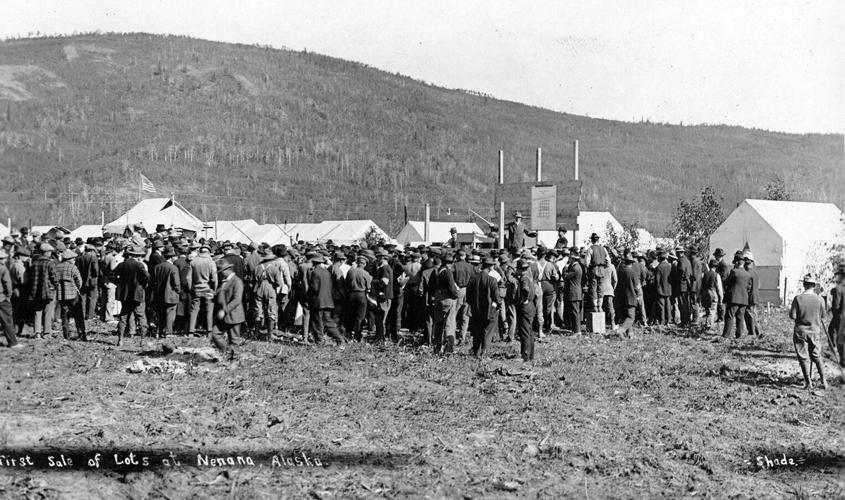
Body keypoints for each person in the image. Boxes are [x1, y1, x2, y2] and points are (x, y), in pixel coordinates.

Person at [789, 274, 827, 390]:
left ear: (804, 285)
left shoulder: (798, 298)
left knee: (803, 357)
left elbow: (792, 316)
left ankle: (808, 382)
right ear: (814, 286)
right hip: (814, 331)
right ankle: (823, 380)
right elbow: (823, 316)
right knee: (816, 356)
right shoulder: (820, 299)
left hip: (800, 331)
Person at [113, 245, 150, 345]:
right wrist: (142, 284)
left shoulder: (122, 264)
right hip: (137, 295)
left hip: (125, 295)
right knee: (141, 317)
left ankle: (120, 339)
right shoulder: (139, 265)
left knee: (123, 317)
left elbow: (111, 274)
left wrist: (119, 282)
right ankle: (142, 340)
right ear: (138, 256)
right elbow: (146, 276)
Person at [211, 259, 245, 361]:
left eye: (221, 272)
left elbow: (237, 300)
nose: (221, 274)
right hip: (223, 314)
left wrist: (224, 310)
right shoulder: (225, 282)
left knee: (234, 339)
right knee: (215, 334)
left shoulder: (236, 281)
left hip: (233, 314)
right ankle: (226, 352)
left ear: (228, 270)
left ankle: (235, 359)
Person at [466, 256, 499, 358]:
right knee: (487, 332)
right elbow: (496, 297)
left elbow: (468, 296)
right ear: (490, 267)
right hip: (489, 310)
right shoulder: (492, 280)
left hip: (476, 309)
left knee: (477, 332)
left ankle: (476, 352)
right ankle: (484, 353)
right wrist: (498, 305)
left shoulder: (473, 279)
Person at [26, 243, 58, 338]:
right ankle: (47, 333)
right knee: (48, 312)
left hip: (36, 291)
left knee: (37, 311)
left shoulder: (34, 263)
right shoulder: (50, 263)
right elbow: (54, 278)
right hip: (48, 291)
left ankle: (37, 333)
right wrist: (55, 286)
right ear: (47, 253)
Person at [55, 249, 87, 341]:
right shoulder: (73, 267)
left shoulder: (57, 267)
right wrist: (77, 288)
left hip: (62, 294)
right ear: (68, 259)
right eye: (73, 258)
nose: (74, 260)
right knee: (78, 315)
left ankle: (66, 335)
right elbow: (79, 281)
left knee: (65, 315)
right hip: (73, 294)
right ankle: (81, 334)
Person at [151, 246, 181, 337]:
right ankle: (168, 332)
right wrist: (178, 291)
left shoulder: (157, 267)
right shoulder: (173, 268)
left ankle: (159, 331)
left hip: (159, 294)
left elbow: (153, 281)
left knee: (161, 314)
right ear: (172, 257)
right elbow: (176, 283)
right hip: (170, 295)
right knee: (170, 314)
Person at [432, 252, 459, 354]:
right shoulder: (448, 272)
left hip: (438, 298)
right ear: (451, 263)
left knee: (438, 324)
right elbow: (452, 288)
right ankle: (448, 348)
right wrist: (456, 295)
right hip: (448, 298)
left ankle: (436, 347)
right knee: (449, 324)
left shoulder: (437, 270)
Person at [188, 244, 218, 335]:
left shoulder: (193, 261)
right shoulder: (211, 262)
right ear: (208, 252)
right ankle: (209, 330)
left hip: (196, 288)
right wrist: (215, 289)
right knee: (209, 310)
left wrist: (191, 288)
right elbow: (214, 278)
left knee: (194, 310)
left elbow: (188, 278)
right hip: (208, 288)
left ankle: (191, 331)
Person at [722, 252, 751, 339]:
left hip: (734, 298)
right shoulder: (748, 274)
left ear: (737, 262)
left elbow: (728, 282)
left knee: (729, 316)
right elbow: (749, 287)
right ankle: (739, 335)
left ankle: (726, 335)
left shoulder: (734, 272)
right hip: (744, 299)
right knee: (740, 317)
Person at [345, 255, 372, 341]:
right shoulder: (366, 273)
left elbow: (347, 284)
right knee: (360, 316)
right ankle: (357, 335)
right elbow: (368, 287)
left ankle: (349, 333)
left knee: (350, 315)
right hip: (361, 295)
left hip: (351, 295)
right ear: (364, 264)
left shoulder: (350, 272)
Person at [515, 259, 536, 362]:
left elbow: (525, 289)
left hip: (525, 306)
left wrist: (525, 300)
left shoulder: (523, 278)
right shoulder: (529, 277)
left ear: (519, 269)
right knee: (530, 331)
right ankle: (530, 354)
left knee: (524, 331)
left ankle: (525, 355)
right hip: (531, 306)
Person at [615, 251, 640, 337]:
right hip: (631, 297)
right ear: (632, 263)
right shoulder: (632, 273)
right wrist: (638, 296)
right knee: (631, 317)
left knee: (626, 316)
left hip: (622, 297)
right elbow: (637, 286)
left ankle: (630, 333)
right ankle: (621, 330)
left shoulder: (620, 271)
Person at [0, 249, 22, 348]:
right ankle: (13, 342)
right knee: (7, 320)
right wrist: (8, 296)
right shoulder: (3, 268)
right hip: (2, 298)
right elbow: (7, 284)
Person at [453, 249, 475, 344]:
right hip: (469, 291)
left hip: (459, 289)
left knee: (454, 314)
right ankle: (463, 337)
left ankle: (452, 337)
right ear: (465, 256)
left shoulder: (455, 266)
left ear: (457, 256)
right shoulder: (471, 267)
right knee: (465, 316)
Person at [371, 249, 394, 343]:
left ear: (382, 258)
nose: (377, 259)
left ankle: (380, 339)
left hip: (384, 296)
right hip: (386, 295)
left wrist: (373, 281)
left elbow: (384, 281)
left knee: (381, 318)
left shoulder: (384, 268)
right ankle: (381, 337)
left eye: (378, 257)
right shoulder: (386, 267)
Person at [562, 247, 584, 334]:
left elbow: (566, 277)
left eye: (570, 258)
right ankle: (575, 330)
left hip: (574, 292)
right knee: (574, 312)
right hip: (574, 292)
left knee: (575, 312)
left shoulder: (575, 268)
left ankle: (577, 331)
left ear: (573, 259)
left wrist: (564, 269)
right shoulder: (575, 266)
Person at [76, 244, 99, 321]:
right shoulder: (93, 258)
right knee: (92, 298)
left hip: (81, 280)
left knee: (82, 298)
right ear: (92, 250)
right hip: (91, 281)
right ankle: (89, 315)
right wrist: (96, 276)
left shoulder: (79, 258)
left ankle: (81, 314)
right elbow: (96, 270)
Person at [699, 259, 723, 331]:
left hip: (705, 293)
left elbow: (701, 285)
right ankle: (709, 326)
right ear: (716, 267)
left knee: (707, 310)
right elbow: (719, 288)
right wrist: (721, 298)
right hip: (712, 293)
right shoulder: (716, 275)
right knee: (712, 311)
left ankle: (706, 323)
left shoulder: (705, 274)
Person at [828, 265, 845, 367]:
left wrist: (834, 316)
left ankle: (841, 359)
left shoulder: (838, 289)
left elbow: (836, 306)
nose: (836, 277)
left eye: (837, 275)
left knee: (839, 338)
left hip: (841, 317)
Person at [743, 252, 761, 337]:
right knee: (754, 314)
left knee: (750, 315)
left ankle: (753, 332)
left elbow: (747, 287)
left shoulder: (746, 273)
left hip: (749, 297)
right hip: (755, 296)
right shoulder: (755, 273)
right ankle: (757, 332)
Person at [653, 250, 672, 326]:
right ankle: (668, 321)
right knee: (668, 306)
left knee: (661, 306)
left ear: (659, 258)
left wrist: (656, 288)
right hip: (668, 289)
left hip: (661, 289)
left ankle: (662, 321)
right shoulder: (669, 266)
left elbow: (657, 280)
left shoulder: (659, 267)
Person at [713, 248, 730, 322]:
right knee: (719, 302)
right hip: (719, 285)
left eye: (717, 256)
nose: (716, 257)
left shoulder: (723, 265)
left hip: (722, 286)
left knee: (721, 302)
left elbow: (724, 277)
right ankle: (720, 317)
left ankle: (721, 318)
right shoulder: (719, 264)